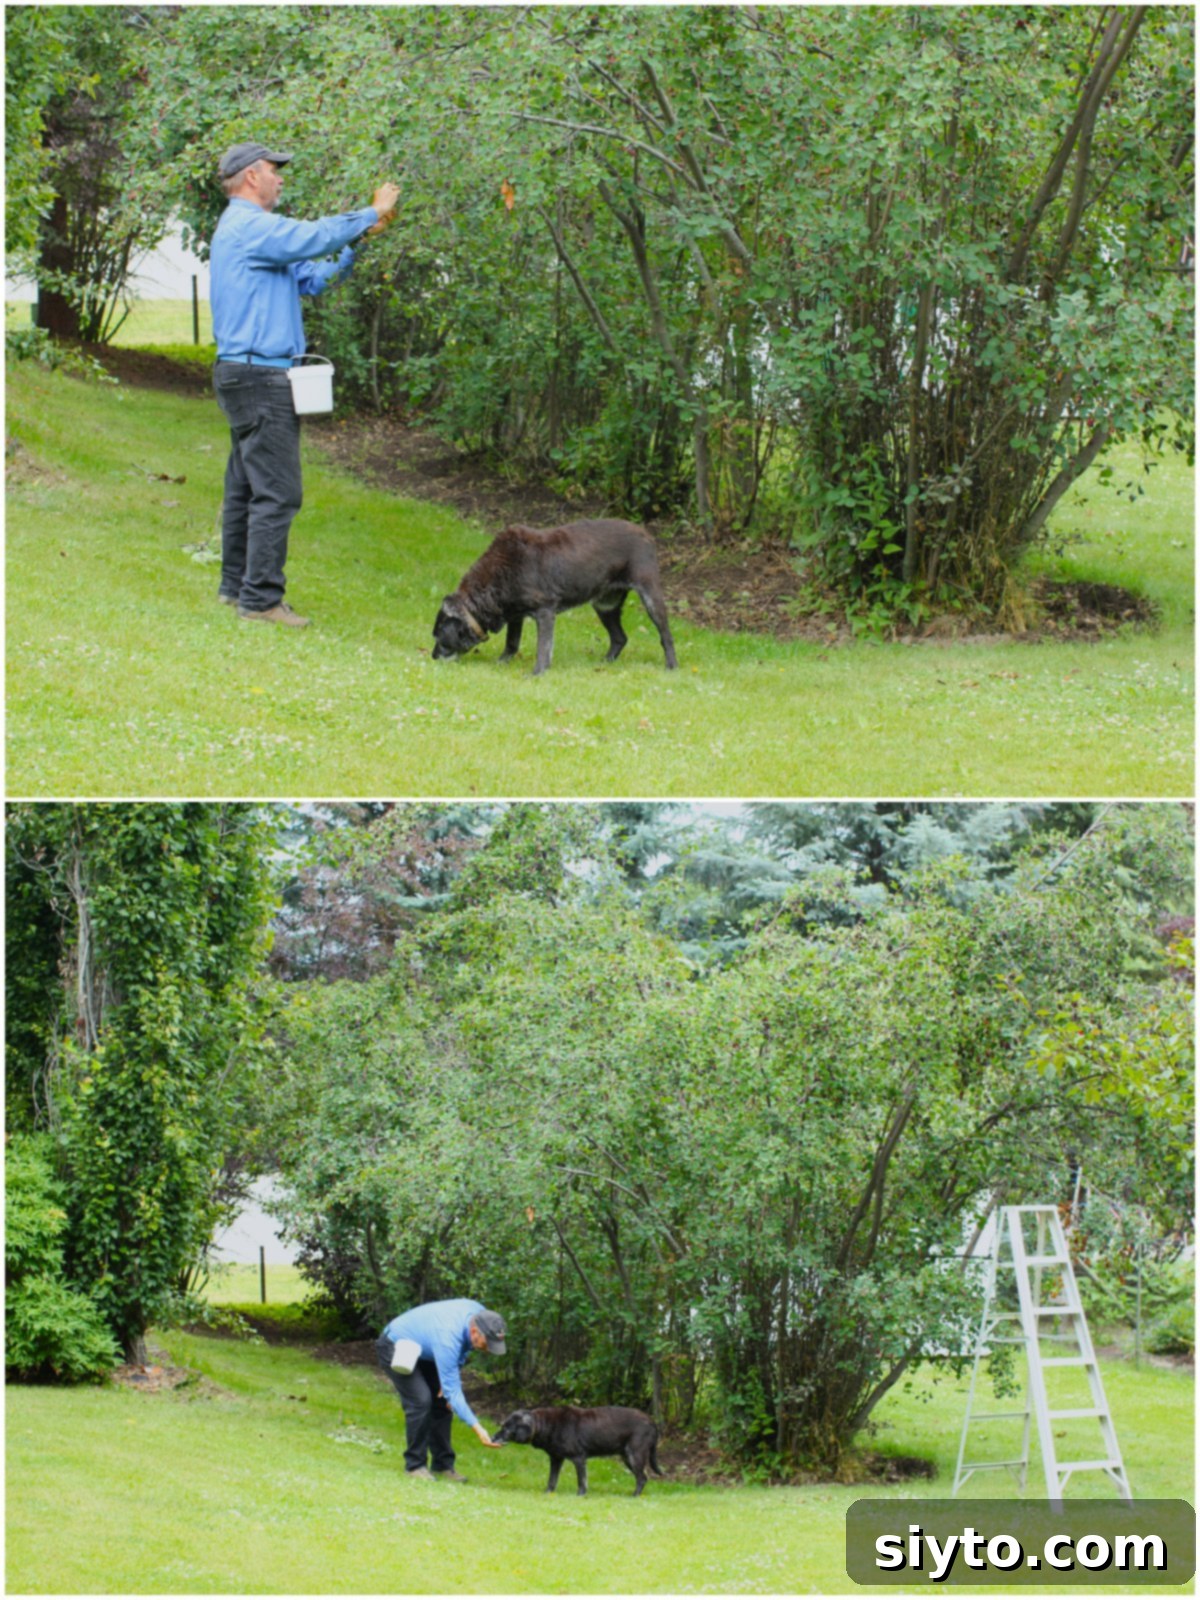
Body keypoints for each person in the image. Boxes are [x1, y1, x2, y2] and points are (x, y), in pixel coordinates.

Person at [209, 141, 400, 627]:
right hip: (260, 375)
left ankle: (236, 590)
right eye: (275, 171)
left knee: (245, 485)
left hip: (243, 372)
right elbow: (313, 238)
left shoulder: (251, 234)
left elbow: (313, 278)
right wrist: (368, 212)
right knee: (278, 491)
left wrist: (359, 239)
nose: (280, 179)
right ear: (252, 176)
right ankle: (261, 601)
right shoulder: (252, 226)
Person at [376, 1299, 507, 1481]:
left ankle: (442, 1466)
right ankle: (415, 1466)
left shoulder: (483, 1317)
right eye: (487, 1343)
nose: (489, 1349)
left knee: (443, 1403)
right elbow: (453, 1389)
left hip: (427, 1349)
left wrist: (446, 1389)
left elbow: (465, 1348)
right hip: (396, 1345)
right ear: (475, 1331)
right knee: (420, 1401)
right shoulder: (448, 1337)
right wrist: (477, 1427)